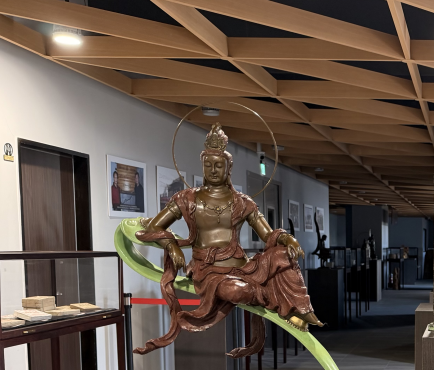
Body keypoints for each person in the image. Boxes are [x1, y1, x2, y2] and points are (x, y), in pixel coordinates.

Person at [134, 123, 321, 357]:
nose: (213, 170)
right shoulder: (186, 198)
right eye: (208, 165)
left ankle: (299, 309)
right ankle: (277, 300)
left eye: (218, 165)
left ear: (228, 167)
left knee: (284, 254)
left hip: (243, 267)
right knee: (235, 291)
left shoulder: (243, 202)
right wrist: (171, 245)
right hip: (209, 270)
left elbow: (267, 234)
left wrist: (287, 238)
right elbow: (154, 226)